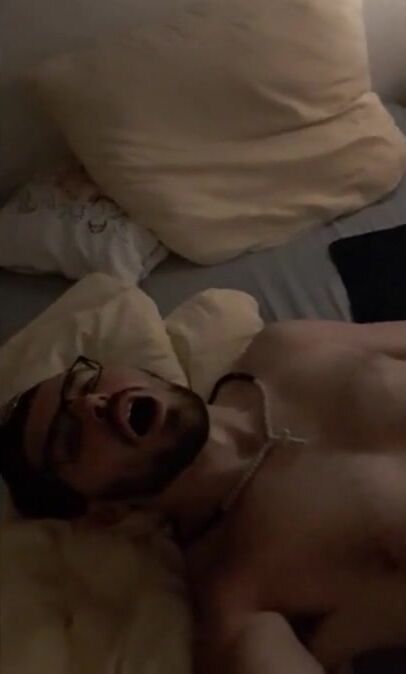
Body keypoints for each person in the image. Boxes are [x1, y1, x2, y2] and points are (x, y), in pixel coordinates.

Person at [1, 319, 406, 673]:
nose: (92, 404)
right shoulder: (238, 600)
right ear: (107, 512)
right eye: (67, 438)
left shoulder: (287, 346)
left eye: (86, 383)